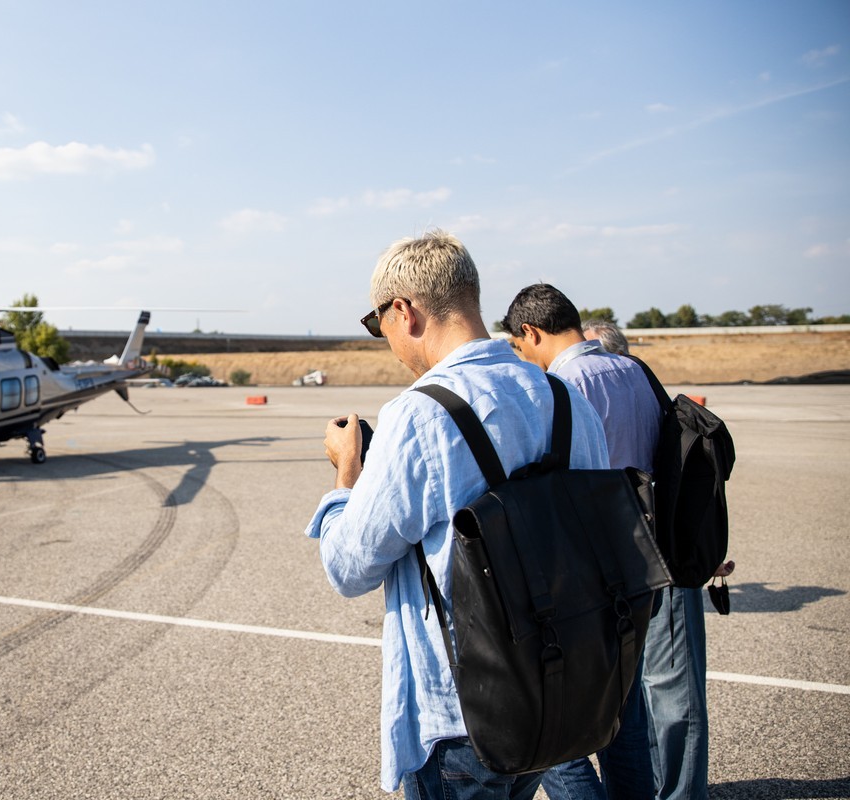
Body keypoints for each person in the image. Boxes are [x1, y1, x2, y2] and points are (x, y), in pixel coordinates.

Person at [304, 232, 610, 799]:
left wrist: (347, 472)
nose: (387, 341)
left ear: (405, 311)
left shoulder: (419, 416)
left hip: (464, 714)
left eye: (380, 325)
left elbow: (349, 567)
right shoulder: (567, 400)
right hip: (558, 690)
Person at [502, 284, 727, 800]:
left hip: (597, 573)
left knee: (576, 709)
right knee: (658, 701)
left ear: (532, 333)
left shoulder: (560, 386)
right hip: (659, 554)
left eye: (520, 345)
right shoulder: (637, 372)